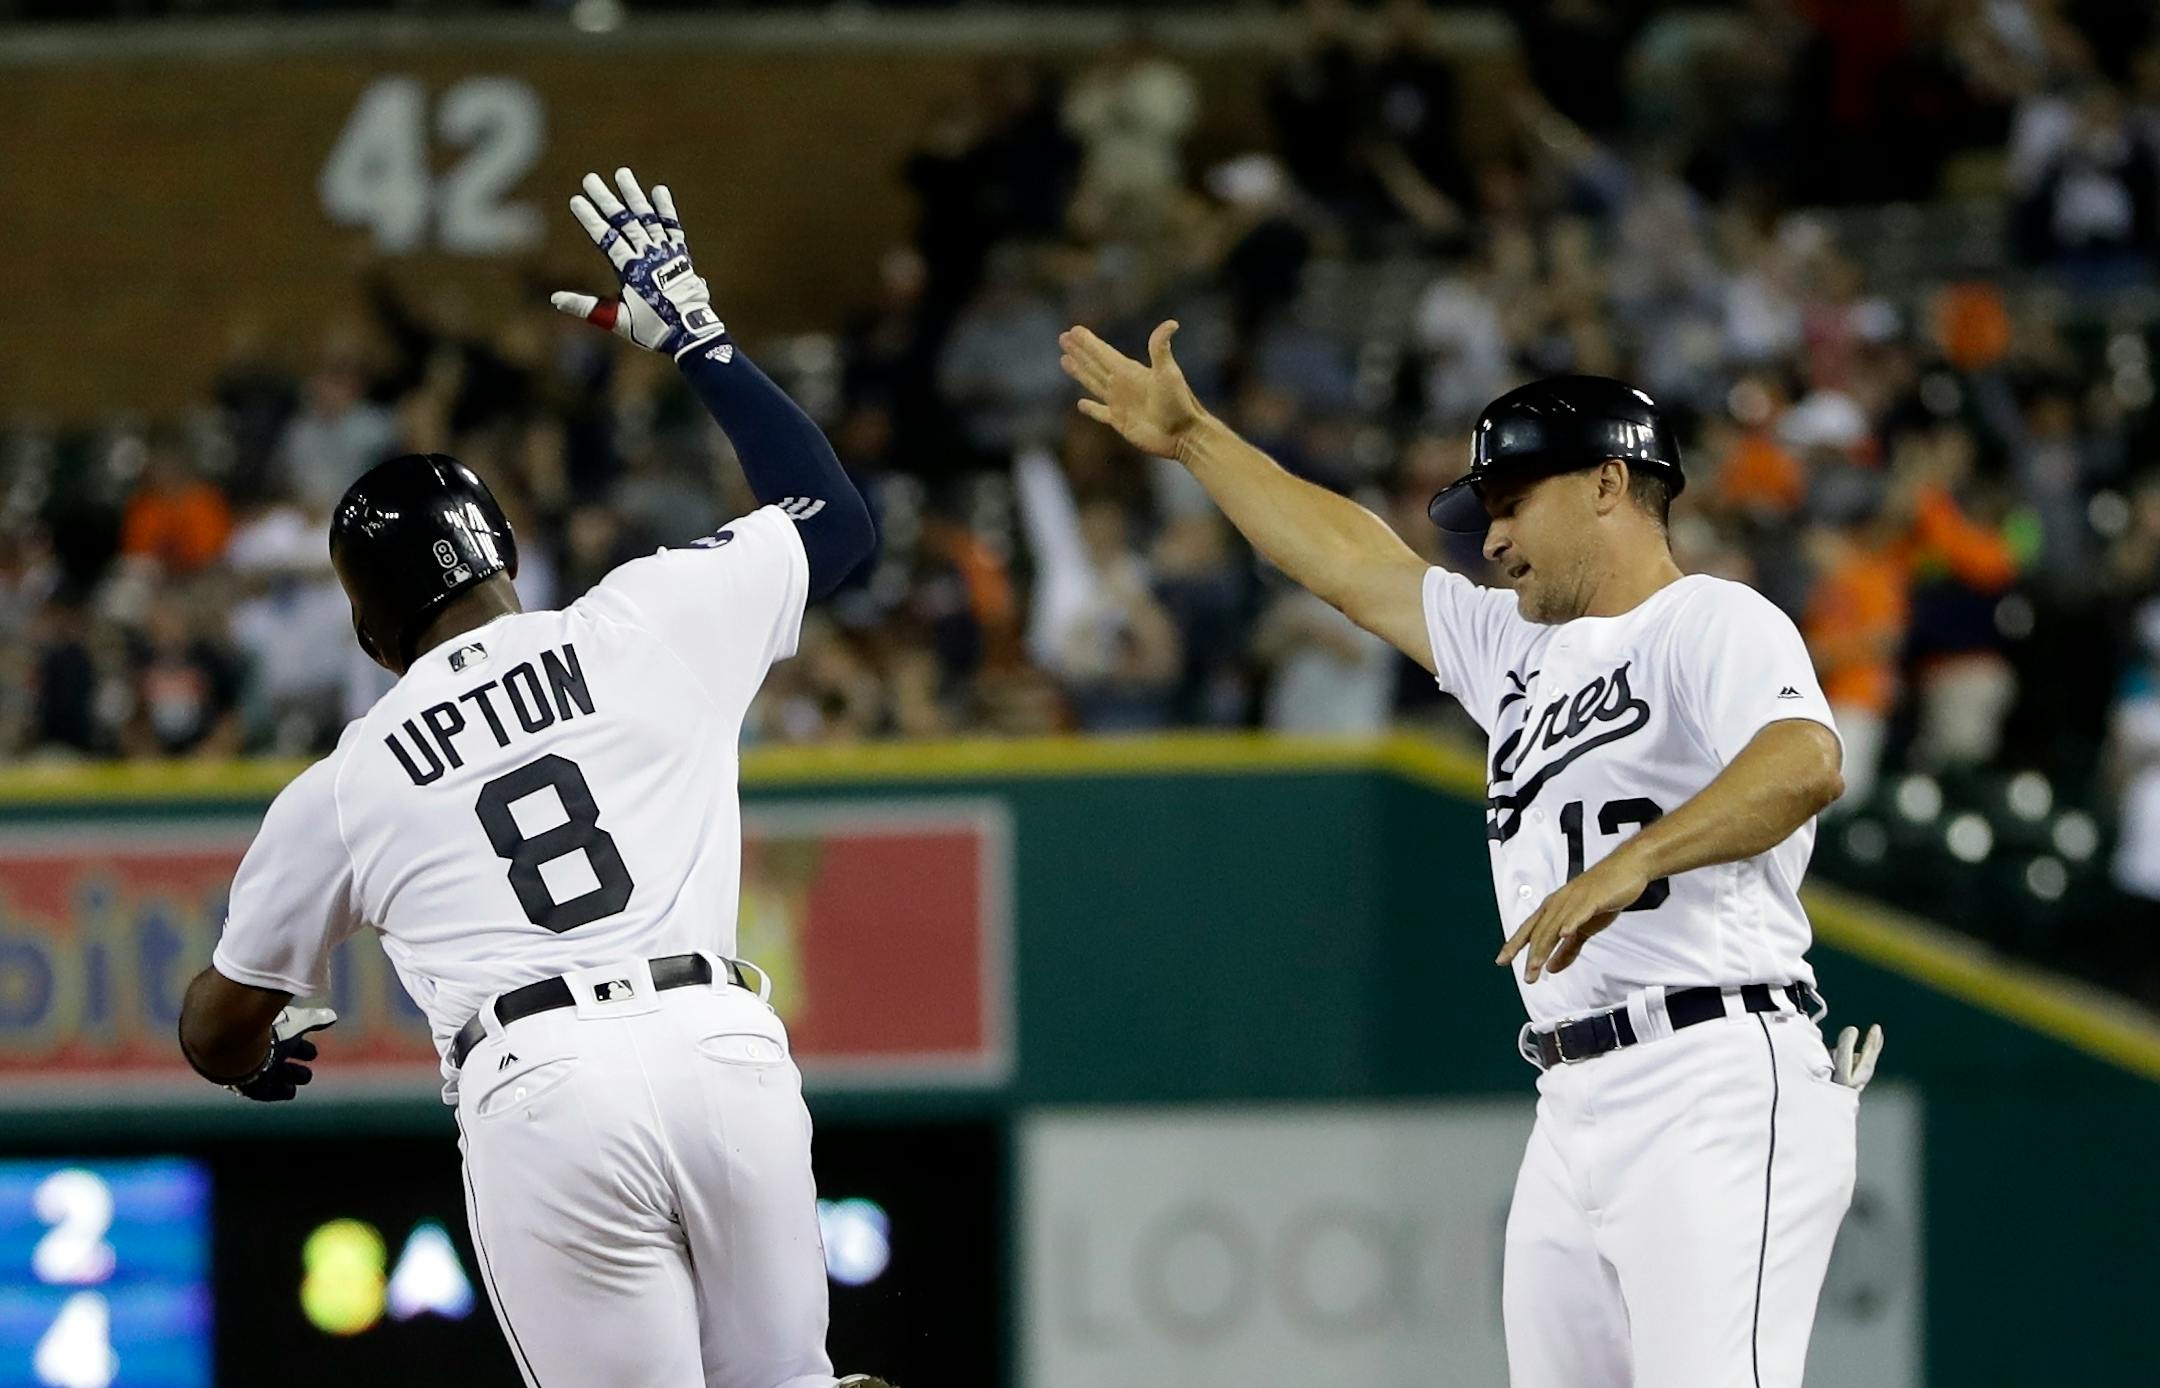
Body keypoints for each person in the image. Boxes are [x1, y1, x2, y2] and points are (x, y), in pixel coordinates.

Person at [1059, 321, 1884, 1387]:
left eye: (1512, 502)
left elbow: (1803, 760)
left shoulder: (1712, 619)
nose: (1491, 538)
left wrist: (1635, 860)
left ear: (1607, 482)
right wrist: (1197, 441)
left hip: (1715, 1068)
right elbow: (1356, 564)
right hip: (1572, 1095)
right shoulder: (1519, 654)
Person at [176, 167, 890, 1388]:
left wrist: (252, 1052)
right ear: (503, 553)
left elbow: (217, 1018)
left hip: (546, 1084)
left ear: (367, 634)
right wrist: (700, 339)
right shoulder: (651, 616)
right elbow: (838, 523)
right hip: (723, 1044)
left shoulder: (348, 781)